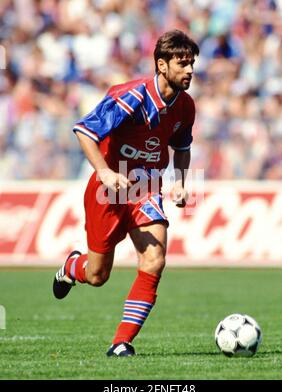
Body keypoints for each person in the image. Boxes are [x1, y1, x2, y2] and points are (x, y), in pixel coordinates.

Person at [53, 29, 199, 357]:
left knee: (155, 258)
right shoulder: (131, 95)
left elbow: (182, 146)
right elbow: (84, 130)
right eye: (182, 64)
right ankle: (73, 267)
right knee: (97, 274)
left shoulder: (186, 106)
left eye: (192, 64)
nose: (189, 70)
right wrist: (104, 171)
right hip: (109, 190)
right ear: (162, 65)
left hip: (146, 187)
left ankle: (121, 343)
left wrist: (181, 180)